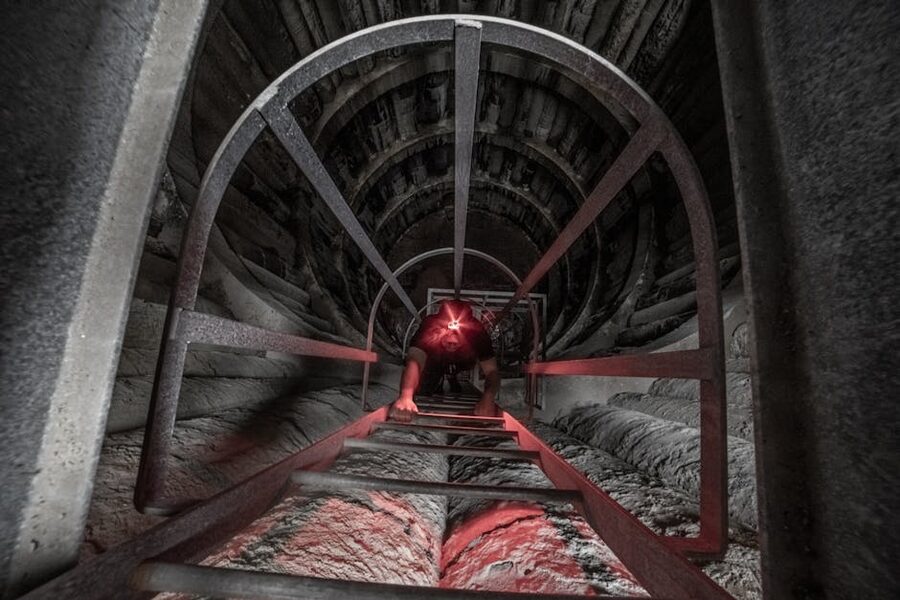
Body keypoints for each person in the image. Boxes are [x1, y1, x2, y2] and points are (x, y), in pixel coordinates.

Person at [390, 299, 500, 421]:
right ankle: (440, 377)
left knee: (463, 363)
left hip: (464, 359)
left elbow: (491, 371)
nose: (452, 340)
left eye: (458, 334)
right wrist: (406, 396)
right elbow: (414, 362)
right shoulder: (429, 327)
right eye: (447, 333)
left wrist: (488, 397)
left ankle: (452, 375)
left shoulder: (477, 333)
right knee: (425, 388)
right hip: (436, 357)